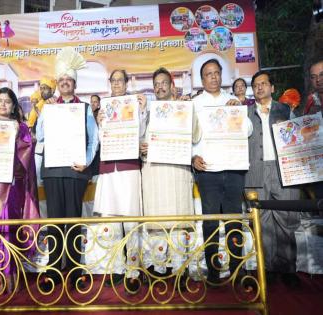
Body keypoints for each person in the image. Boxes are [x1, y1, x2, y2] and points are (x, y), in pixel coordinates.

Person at [35, 47, 98, 289]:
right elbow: (40, 135)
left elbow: (94, 140)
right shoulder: (49, 106)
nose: (64, 84)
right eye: (61, 80)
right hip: (52, 170)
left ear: (74, 83)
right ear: (58, 84)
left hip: (75, 171)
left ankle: (74, 269)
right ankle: (53, 269)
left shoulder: (84, 108)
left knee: (73, 219)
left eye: (68, 80)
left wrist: (87, 161)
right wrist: (44, 112)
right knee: (54, 220)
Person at [191, 59, 252, 284]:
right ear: (202, 78)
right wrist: (192, 157)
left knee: (234, 220)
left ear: (221, 76)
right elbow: (187, 136)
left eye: (217, 73)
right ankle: (214, 271)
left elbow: (248, 130)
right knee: (210, 222)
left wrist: (237, 112)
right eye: (209, 74)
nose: (214, 77)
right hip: (207, 172)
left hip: (233, 169)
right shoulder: (195, 103)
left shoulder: (232, 101)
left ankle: (238, 270)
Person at [86, 69, 146, 292]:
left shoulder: (135, 104)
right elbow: (101, 141)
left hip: (130, 167)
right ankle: (117, 267)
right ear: (109, 83)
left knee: (131, 220)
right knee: (111, 221)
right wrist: (99, 122)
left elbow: (140, 134)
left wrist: (141, 112)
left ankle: (133, 269)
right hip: (110, 168)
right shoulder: (104, 107)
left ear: (127, 82)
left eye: (122, 80)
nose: (118, 83)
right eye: (114, 80)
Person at [139, 67, 201, 284]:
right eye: (156, 84)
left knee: (179, 223)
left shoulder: (182, 109)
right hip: (154, 174)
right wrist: (141, 148)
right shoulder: (147, 113)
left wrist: (188, 109)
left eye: (164, 82)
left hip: (176, 173)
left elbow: (195, 135)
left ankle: (180, 269)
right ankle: (158, 268)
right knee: (156, 225)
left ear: (172, 86)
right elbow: (138, 141)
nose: (160, 87)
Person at [0, 87, 40, 295]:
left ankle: (9, 278)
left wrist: (18, 138)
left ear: (14, 106)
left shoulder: (20, 127)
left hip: (12, 184)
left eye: (7, 101)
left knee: (9, 227)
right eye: (0, 101)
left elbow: (27, 156)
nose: (3, 104)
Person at [245, 70, 301, 287]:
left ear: (272, 88)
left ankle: (288, 269)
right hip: (256, 171)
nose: (259, 87)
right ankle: (266, 268)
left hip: (283, 171)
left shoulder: (286, 110)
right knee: (263, 222)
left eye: (263, 84)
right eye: (256, 85)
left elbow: (300, 138)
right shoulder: (245, 113)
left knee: (286, 220)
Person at [303, 60, 323, 200]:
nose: (318, 80)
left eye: (322, 75)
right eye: (314, 77)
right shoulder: (311, 101)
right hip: (319, 166)